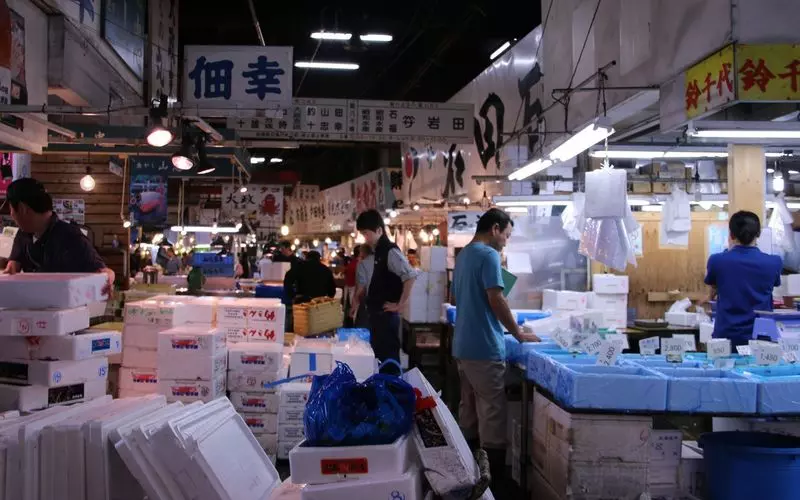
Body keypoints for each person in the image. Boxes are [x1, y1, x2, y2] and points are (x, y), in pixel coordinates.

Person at [450, 208, 540, 494]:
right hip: (483, 347)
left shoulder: (464, 255)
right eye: (507, 235)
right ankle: (495, 486)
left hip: (462, 346)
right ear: (495, 229)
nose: (506, 242)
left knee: (469, 412)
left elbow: (461, 296)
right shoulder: (488, 255)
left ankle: (467, 475)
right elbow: (496, 298)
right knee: (492, 414)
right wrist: (518, 333)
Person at [3, 178, 115, 293]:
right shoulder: (24, 233)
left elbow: (105, 272)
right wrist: (11, 267)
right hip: (31, 305)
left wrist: (107, 279)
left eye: (11, 209)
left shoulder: (70, 237)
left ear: (22, 208)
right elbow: (14, 263)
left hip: (65, 307)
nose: (11, 215)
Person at [705, 210, 782, 347]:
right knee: (765, 369)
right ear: (758, 234)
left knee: (725, 368)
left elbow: (712, 293)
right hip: (763, 337)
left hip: (727, 336)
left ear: (731, 234)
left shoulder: (717, 261)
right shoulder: (774, 262)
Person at [356, 210, 417, 375]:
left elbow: (410, 276)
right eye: (363, 234)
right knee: (381, 363)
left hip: (386, 319)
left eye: (366, 233)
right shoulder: (379, 252)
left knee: (388, 364)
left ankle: (393, 396)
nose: (365, 238)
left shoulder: (389, 251)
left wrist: (399, 305)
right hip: (378, 318)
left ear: (379, 230)